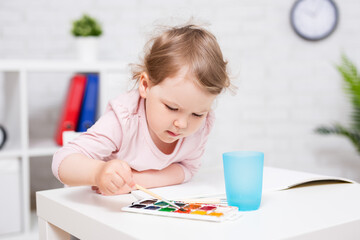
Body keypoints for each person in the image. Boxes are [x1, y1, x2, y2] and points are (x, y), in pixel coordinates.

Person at [52, 23, 232, 196]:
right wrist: (98, 172)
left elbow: (187, 168)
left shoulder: (202, 125)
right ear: (145, 85)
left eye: (197, 114)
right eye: (172, 107)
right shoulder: (124, 119)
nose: (183, 124)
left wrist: (136, 182)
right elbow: (62, 161)